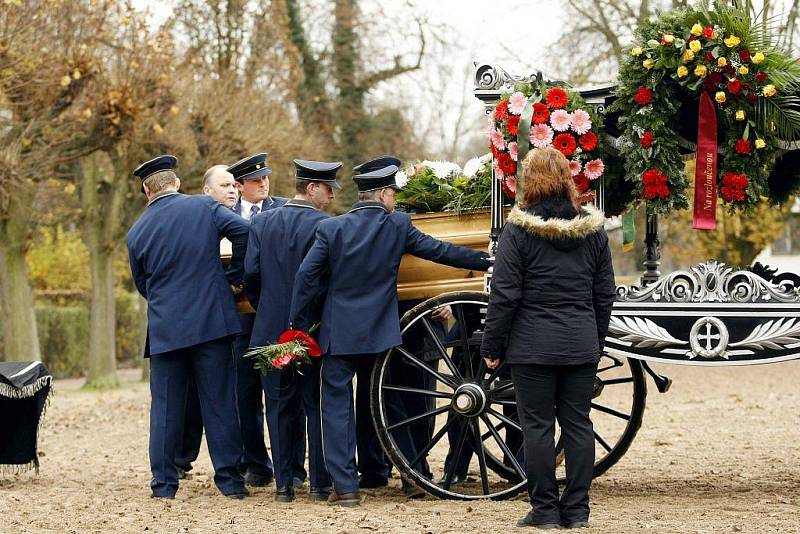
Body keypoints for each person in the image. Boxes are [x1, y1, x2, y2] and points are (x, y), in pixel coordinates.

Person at [289, 160, 492, 507]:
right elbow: (440, 251)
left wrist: (298, 326)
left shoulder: (332, 229)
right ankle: (413, 475)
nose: (395, 201)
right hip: (381, 333)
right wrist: (485, 261)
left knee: (336, 408)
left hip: (340, 334)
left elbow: (306, 278)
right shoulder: (397, 226)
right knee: (390, 404)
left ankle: (345, 487)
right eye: (394, 194)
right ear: (383, 194)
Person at [480, 146, 615, 529]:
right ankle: (577, 511)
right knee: (578, 425)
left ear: (530, 181)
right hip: (579, 343)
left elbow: (504, 295)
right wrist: (595, 339)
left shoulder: (518, 231)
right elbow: (604, 292)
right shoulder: (593, 231)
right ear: (567, 180)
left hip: (531, 346)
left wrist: (491, 348)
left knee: (537, 427)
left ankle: (544, 510)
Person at [126, 155, 249, 499]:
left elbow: (142, 284)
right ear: (177, 183)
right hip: (211, 320)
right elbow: (244, 231)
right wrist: (234, 277)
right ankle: (231, 482)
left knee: (164, 408)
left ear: (146, 190)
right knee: (220, 402)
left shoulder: (137, 231)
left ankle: (164, 485)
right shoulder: (204, 208)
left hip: (166, 329)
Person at [244, 159, 340, 503]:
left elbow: (251, 276)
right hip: (312, 330)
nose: (331, 195)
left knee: (278, 406)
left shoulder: (262, 224)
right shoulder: (326, 225)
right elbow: (327, 281)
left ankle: (284, 486)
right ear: (311, 188)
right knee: (315, 406)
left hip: (269, 328)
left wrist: (268, 309)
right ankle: (319, 484)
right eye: (328, 188)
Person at [174, 165, 241, 478]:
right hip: (208, 315)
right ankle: (184, 458)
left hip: (240, 315)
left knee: (230, 395)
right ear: (207, 191)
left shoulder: (260, 213)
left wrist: (238, 278)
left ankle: (240, 464)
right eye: (225, 185)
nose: (232, 190)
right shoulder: (198, 216)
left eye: (234, 185)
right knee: (196, 395)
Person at [226, 153, 286, 487]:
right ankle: (257, 464)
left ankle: (289, 466)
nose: (263, 183)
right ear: (239, 185)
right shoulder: (222, 215)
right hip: (241, 321)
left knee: (282, 395)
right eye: (255, 180)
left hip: (276, 314)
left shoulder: (284, 210)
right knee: (245, 396)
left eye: (265, 177)